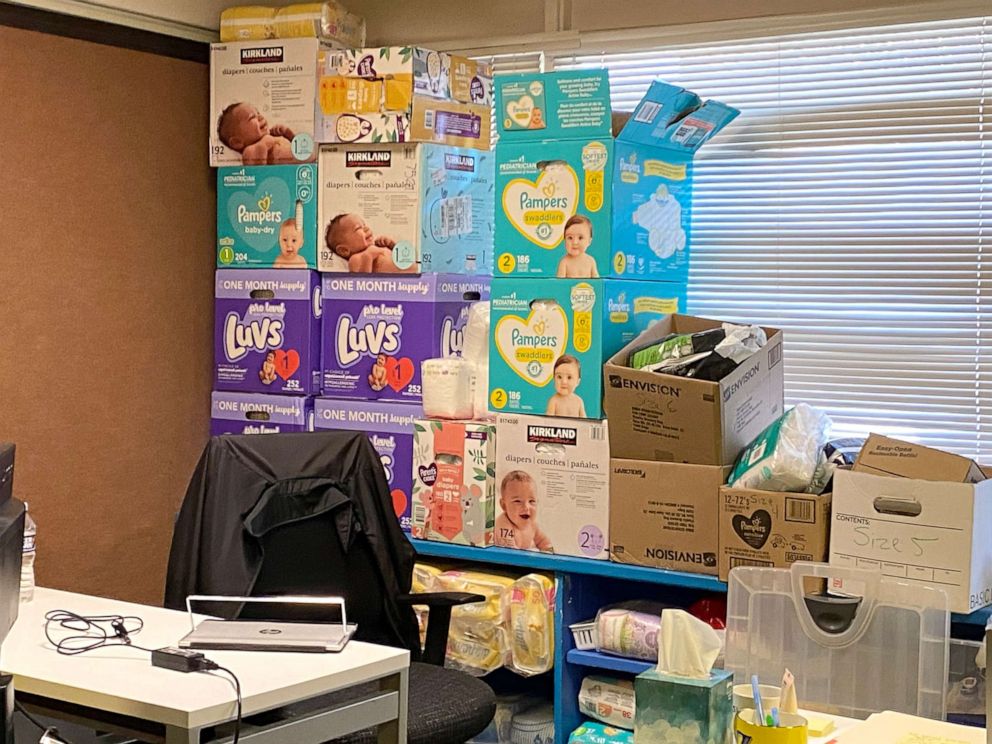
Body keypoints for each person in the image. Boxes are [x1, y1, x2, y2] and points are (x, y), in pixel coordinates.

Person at [324, 213, 417, 273]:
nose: (366, 228)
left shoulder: (377, 247)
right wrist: (369, 255)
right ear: (344, 250)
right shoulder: (355, 259)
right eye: (358, 228)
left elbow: (403, 259)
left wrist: (392, 246)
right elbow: (362, 282)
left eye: (364, 224)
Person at [217, 102, 297, 165]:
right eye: (252, 117)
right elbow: (257, 173)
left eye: (258, 113)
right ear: (237, 142)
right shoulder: (249, 152)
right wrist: (264, 143)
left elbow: (297, 147)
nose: (260, 117)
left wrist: (287, 134)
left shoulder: (272, 137)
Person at [494, 471, 552, 551]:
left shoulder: (533, 525)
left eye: (531, 501)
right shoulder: (503, 525)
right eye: (517, 501)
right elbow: (510, 554)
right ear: (504, 505)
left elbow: (544, 542)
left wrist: (548, 552)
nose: (526, 507)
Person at [556, 214, 599, 278]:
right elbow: (559, 285)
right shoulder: (564, 262)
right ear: (564, 239)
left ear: (589, 241)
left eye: (580, 238)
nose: (575, 242)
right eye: (570, 238)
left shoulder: (590, 261)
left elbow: (596, 282)